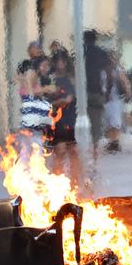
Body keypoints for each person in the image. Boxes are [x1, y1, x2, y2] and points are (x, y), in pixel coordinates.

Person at [49, 52, 83, 188]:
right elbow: (49, 100)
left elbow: (78, 97)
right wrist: (61, 101)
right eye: (58, 61)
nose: (60, 64)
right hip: (58, 119)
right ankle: (57, 181)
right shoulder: (52, 80)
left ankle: (75, 180)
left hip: (72, 117)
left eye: (63, 61)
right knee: (60, 150)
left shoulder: (73, 79)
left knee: (74, 150)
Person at [83, 30, 113, 158]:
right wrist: (108, 92)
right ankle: (94, 149)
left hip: (81, 92)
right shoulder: (102, 54)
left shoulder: (80, 53)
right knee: (96, 121)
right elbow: (109, 73)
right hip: (97, 92)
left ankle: (82, 149)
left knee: (79, 120)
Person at [102, 51, 132, 153]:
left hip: (115, 99)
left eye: (114, 58)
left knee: (115, 121)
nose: (112, 60)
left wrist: (128, 93)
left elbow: (125, 82)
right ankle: (112, 142)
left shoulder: (117, 69)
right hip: (106, 99)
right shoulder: (103, 70)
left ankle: (115, 142)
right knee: (109, 122)